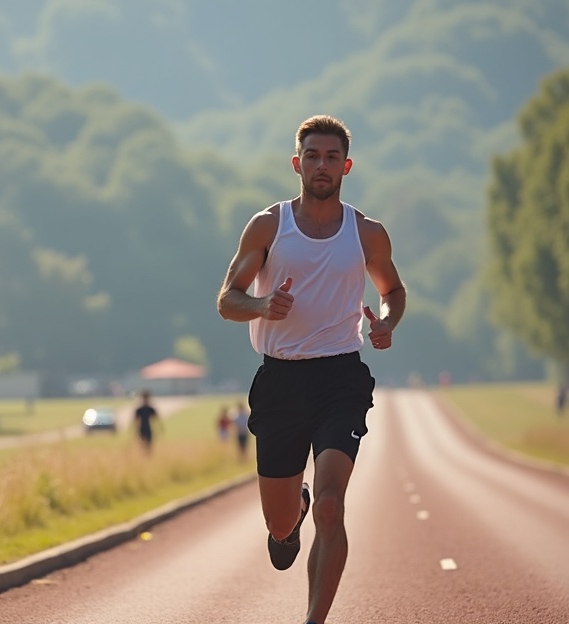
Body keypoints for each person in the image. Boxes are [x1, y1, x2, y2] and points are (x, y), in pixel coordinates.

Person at [216, 114, 405, 624]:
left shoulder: (366, 233)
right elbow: (228, 300)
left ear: (346, 166)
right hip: (280, 380)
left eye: (331, 157)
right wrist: (262, 306)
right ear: (297, 164)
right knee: (281, 525)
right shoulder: (268, 226)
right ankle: (289, 516)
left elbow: (392, 290)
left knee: (331, 504)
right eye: (313, 157)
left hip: (340, 378)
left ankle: (313, 619)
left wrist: (386, 323)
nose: (322, 165)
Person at [133, 389, 161, 454]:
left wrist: (159, 428)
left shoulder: (150, 409)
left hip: (148, 428)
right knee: (142, 444)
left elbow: (156, 418)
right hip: (141, 428)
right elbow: (135, 420)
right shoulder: (139, 409)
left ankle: (147, 455)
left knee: (149, 444)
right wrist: (135, 430)